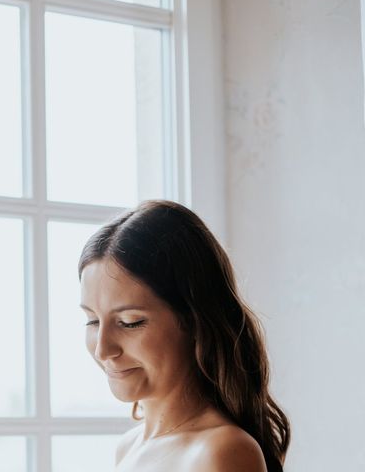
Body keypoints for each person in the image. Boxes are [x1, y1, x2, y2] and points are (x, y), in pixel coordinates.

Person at [78, 200, 290, 472]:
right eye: (93, 321)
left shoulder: (222, 451)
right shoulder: (127, 448)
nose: (103, 350)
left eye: (130, 322)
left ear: (195, 320)